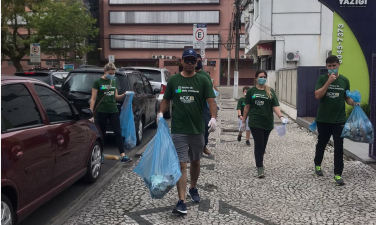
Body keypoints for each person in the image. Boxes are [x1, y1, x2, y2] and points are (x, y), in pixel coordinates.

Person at [158, 49, 217, 215]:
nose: (190, 63)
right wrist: (160, 114)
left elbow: (211, 100)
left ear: (196, 62)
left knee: (196, 162)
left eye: (193, 61)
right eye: (187, 60)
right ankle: (181, 201)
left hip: (197, 129)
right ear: (181, 61)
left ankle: (193, 187)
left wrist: (213, 117)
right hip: (179, 129)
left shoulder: (203, 80)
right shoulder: (174, 80)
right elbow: (166, 99)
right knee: (182, 164)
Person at [313, 55, 358, 186]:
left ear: (338, 65)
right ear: (326, 67)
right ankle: (317, 164)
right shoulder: (322, 79)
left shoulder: (344, 80)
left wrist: (354, 103)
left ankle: (338, 174)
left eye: (334, 66)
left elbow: (346, 97)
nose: (332, 68)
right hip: (324, 119)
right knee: (322, 143)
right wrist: (328, 82)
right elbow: (317, 95)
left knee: (339, 146)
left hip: (339, 119)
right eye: (329, 66)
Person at [242, 70, 288, 178]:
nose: (262, 78)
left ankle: (259, 160)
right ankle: (260, 167)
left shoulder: (270, 91)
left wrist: (281, 117)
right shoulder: (251, 91)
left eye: (264, 76)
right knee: (259, 143)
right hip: (255, 121)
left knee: (263, 145)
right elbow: (247, 106)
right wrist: (243, 121)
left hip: (267, 122)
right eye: (260, 76)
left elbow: (275, 105)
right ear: (256, 78)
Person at [89, 62, 132, 164]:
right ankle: (101, 155)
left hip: (113, 110)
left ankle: (123, 155)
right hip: (102, 110)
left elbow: (116, 97)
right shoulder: (98, 82)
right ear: (105, 71)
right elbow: (93, 99)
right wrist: (91, 113)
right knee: (102, 133)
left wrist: (124, 95)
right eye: (110, 73)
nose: (112, 75)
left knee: (117, 132)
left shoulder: (113, 82)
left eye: (113, 73)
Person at [195, 54, 216, 155]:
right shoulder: (188, 74)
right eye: (196, 60)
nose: (197, 62)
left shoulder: (205, 76)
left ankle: (204, 146)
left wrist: (213, 116)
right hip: (192, 106)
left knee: (206, 127)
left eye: (199, 61)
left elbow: (211, 94)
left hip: (204, 106)